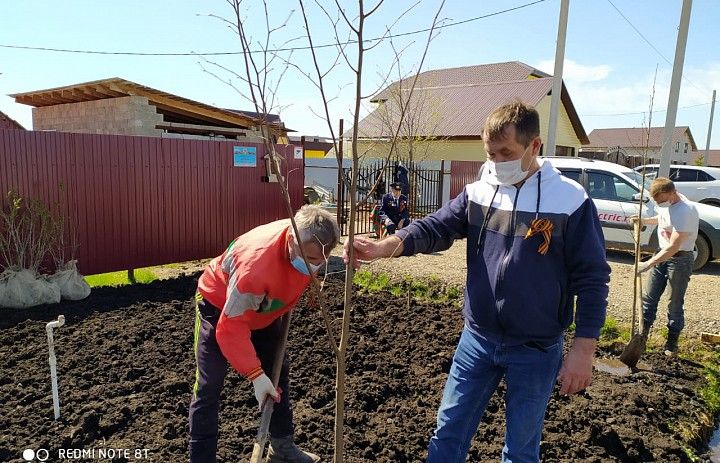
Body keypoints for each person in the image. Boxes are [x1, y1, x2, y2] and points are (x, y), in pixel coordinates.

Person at [344, 101, 610, 463]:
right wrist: (383, 247)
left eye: (507, 152)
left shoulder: (570, 201)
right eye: (490, 153)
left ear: (535, 146)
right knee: (448, 432)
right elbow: (434, 227)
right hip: (478, 339)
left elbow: (592, 278)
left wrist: (583, 350)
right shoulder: (481, 190)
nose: (497, 161)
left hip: (536, 348)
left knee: (520, 449)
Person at [189, 205, 340, 463]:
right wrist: (256, 376)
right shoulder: (255, 267)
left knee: (278, 374)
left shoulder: (308, 239)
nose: (317, 267)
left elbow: (304, 268)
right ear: (292, 241)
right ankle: (201, 458)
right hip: (220, 306)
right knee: (209, 383)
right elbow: (231, 327)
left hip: (263, 310)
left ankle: (281, 448)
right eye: (312, 260)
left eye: (321, 261)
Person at [633, 177, 699, 355]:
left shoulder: (686, 210)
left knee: (674, 302)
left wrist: (648, 263)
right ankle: (640, 340)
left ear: (672, 192)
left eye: (662, 200)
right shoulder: (668, 205)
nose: (660, 204)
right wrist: (645, 221)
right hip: (661, 254)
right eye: (658, 201)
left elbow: (674, 246)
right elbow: (663, 218)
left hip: (679, 259)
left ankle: (671, 344)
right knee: (648, 299)